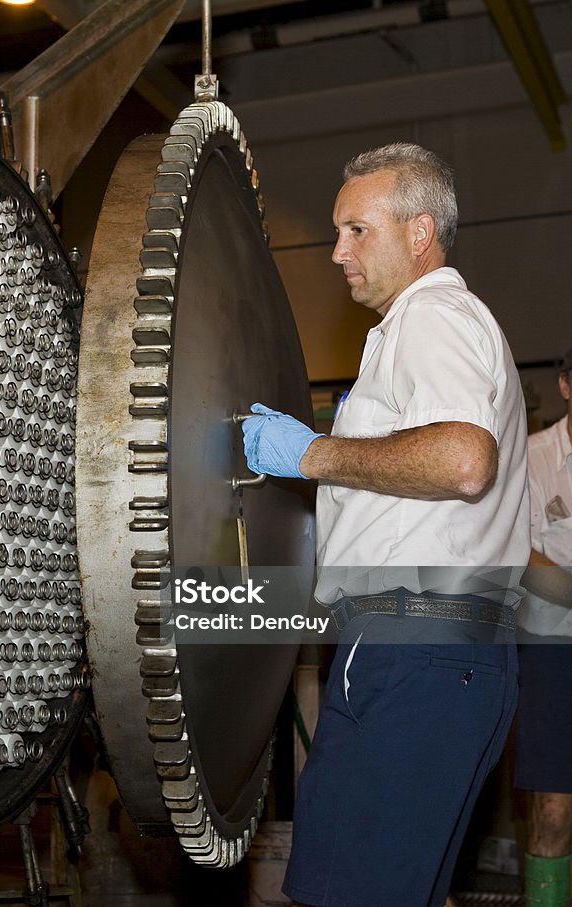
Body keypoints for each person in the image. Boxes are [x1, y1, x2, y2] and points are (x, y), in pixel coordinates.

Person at [241, 142, 530, 907]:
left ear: (419, 232)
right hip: (448, 654)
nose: (336, 251)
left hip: (412, 650)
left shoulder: (433, 315)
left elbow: (466, 457)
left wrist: (311, 454)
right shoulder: (430, 327)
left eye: (356, 230)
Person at [516, 348, 572, 907]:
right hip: (552, 651)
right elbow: (523, 558)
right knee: (554, 811)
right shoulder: (532, 458)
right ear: (565, 386)